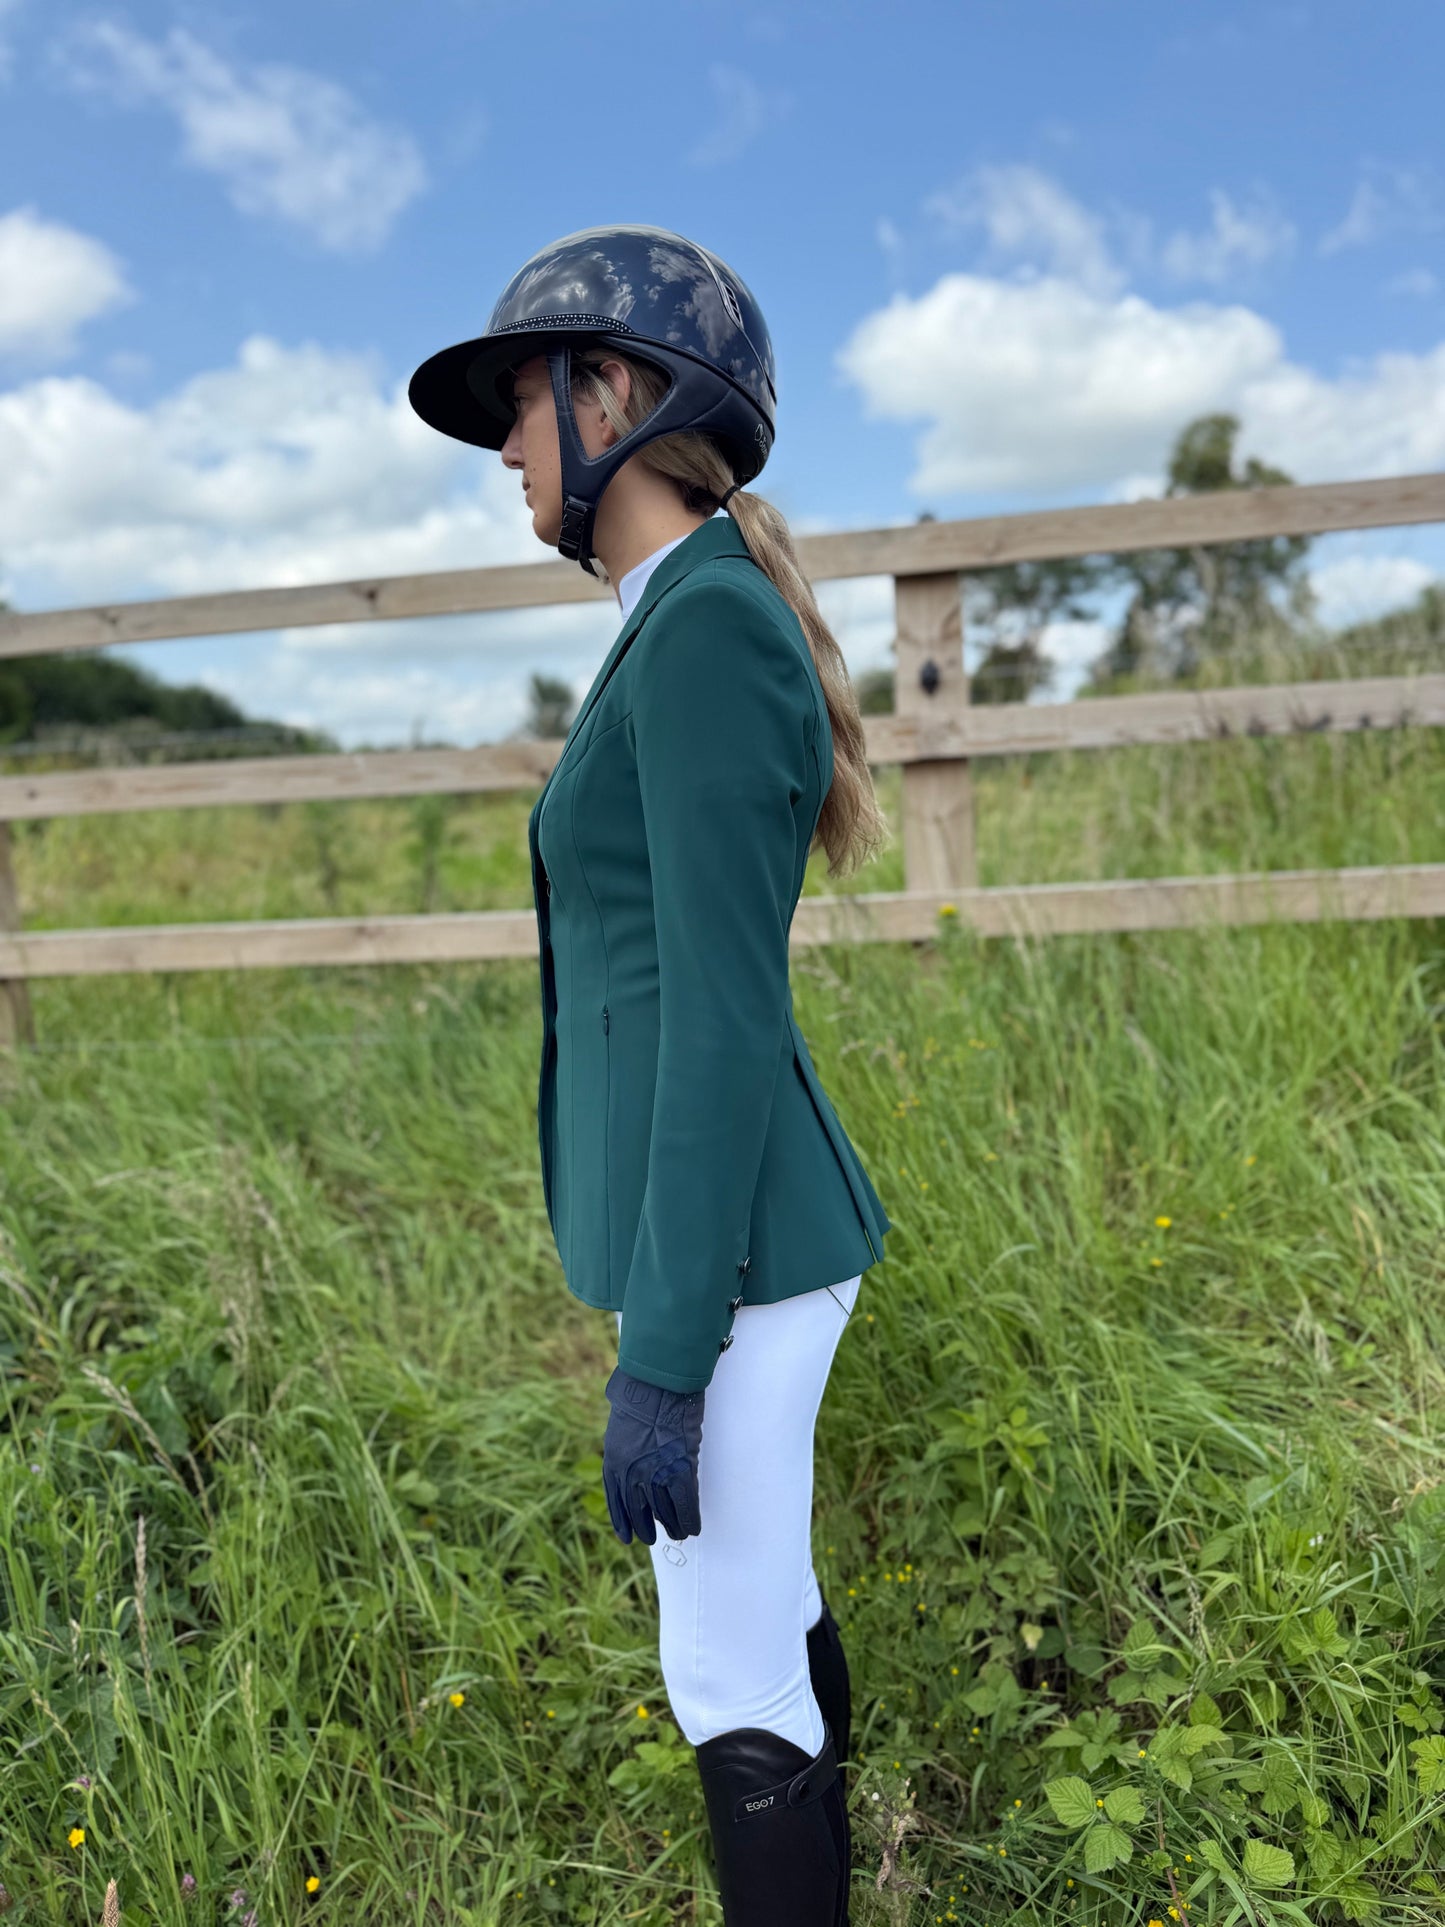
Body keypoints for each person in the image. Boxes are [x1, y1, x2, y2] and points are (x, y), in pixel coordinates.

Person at [408, 224, 893, 1926]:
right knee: (766, 1607)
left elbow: (720, 1015)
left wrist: (667, 1357)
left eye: (520, 409)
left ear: (611, 391)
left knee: (723, 1672)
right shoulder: (666, 622)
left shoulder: (703, 634)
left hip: (737, 1260)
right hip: (721, 1249)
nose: (507, 454)